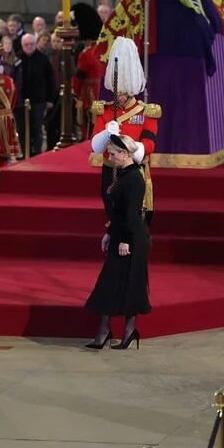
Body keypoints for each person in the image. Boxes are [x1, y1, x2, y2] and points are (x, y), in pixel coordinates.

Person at [84, 133, 151, 350]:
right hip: (122, 233)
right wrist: (110, 233)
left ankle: (127, 331)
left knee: (128, 282)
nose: (110, 157)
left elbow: (131, 214)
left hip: (131, 238)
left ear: (124, 154)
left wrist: (123, 240)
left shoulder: (134, 178)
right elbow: (118, 213)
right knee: (111, 281)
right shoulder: (123, 174)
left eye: (113, 154)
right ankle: (105, 331)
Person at [89, 37, 160, 224]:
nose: (117, 96)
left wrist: (125, 146)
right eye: (115, 91)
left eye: (121, 92)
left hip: (134, 171)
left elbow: (148, 145)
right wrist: (106, 132)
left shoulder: (147, 112)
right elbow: (96, 147)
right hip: (110, 171)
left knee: (135, 218)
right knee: (113, 217)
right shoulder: (104, 110)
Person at [13, 33, 55, 156]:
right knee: (22, 129)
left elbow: (51, 79)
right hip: (20, 101)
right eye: (26, 44)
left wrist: (50, 99)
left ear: (35, 44)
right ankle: (25, 152)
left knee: (37, 128)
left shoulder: (43, 58)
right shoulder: (17, 59)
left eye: (31, 44)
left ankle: (36, 154)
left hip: (38, 100)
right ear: (22, 45)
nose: (29, 46)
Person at [72, 3, 105, 139]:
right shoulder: (103, 48)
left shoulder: (86, 53)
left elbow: (79, 77)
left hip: (89, 94)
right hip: (104, 92)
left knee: (88, 126)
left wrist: (74, 91)